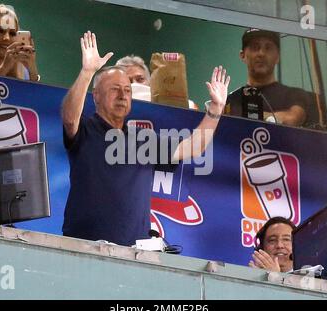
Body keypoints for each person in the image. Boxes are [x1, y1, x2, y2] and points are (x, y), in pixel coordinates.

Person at [61, 31, 230, 246]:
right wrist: (87, 72)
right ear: (96, 96)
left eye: (127, 91)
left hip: (133, 253)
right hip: (82, 246)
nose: (123, 96)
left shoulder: (144, 140)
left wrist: (215, 109)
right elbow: (68, 118)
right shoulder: (86, 130)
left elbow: (195, 146)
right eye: (115, 89)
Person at [225, 28, 308, 126]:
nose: (261, 53)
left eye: (268, 48)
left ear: (277, 57)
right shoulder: (232, 99)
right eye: (255, 47)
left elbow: (293, 118)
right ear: (242, 55)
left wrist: (242, 115)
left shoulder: (294, 94)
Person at [116, 54, 199, 110]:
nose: (134, 84)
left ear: (149, 82)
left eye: (140, 79)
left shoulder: (188, 106)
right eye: (127, 81)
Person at [0, 5, 40, 82]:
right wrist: (4, 68)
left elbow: (33, 94)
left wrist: (32, 70)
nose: (7, 38)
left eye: (12, 33)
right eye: (0, 31)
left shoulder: (23, 72)